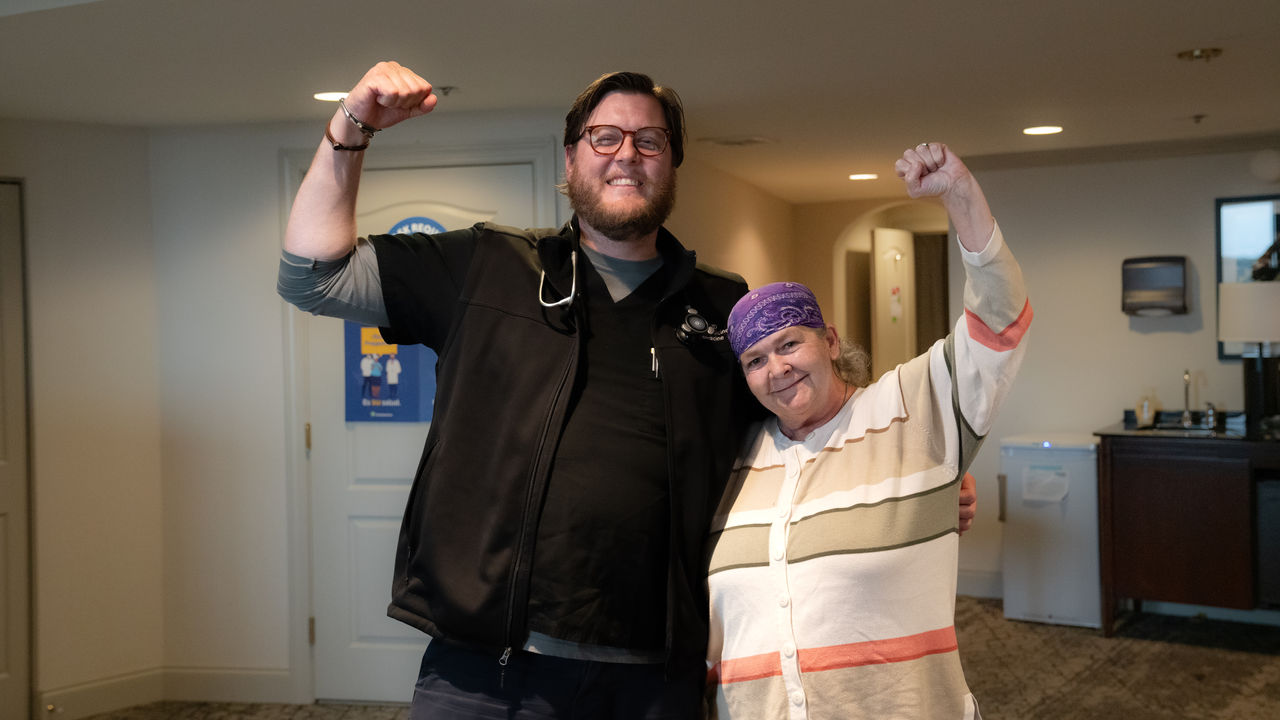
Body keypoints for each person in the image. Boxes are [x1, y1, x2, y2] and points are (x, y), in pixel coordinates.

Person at [278, 61, 977, 719]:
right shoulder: (484, 267)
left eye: (650, 140)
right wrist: (350, 127)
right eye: (605, 136)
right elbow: (312, 275)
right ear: (570, 158)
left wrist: (888, 468)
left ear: (672, 163)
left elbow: (787, 430)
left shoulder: (722, 307)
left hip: (655, 680)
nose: (626, 154)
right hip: (486, 675)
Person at [705, 143, 1030, 719]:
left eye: (789, 344)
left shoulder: (913, 410)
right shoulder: (733, 457)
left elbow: (998, 322)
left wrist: (960, 196)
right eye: (755, 360)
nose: (776, 368)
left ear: (829, 341)